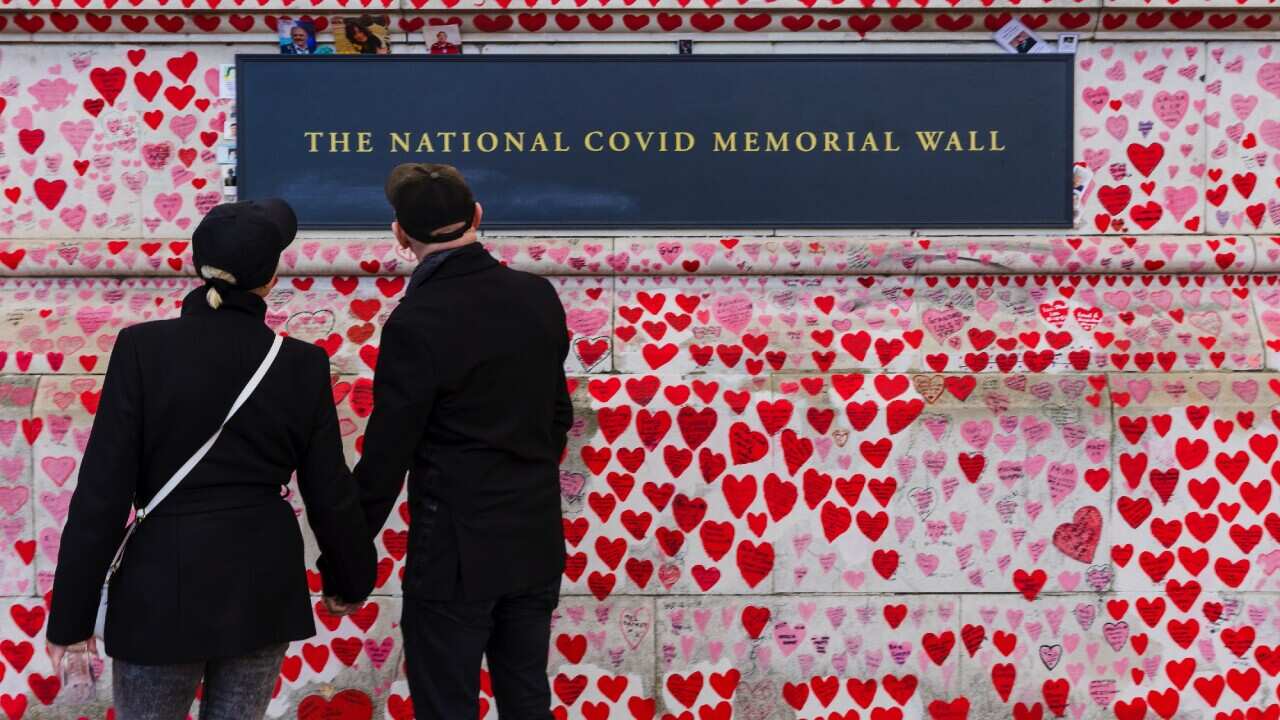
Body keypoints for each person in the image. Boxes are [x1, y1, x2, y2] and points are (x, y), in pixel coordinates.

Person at [46, 199, 377, 720]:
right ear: (269, 280)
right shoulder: (302, 364)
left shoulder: (140, 349)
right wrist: (350, 580)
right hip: (263, 586)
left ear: (198, 267)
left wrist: (70, 618)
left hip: (161, 586)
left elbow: (102, 494)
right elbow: (329, 491)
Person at [350, 164, 570, 719]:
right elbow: (558, 416)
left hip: (454, 553)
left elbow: (387, 454)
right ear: (477, 216)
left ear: (400, 235)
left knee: (447, 705)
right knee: (526, 698)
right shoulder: (537, 295)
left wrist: (347, 551)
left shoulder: (415, 321)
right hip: (535, 538)